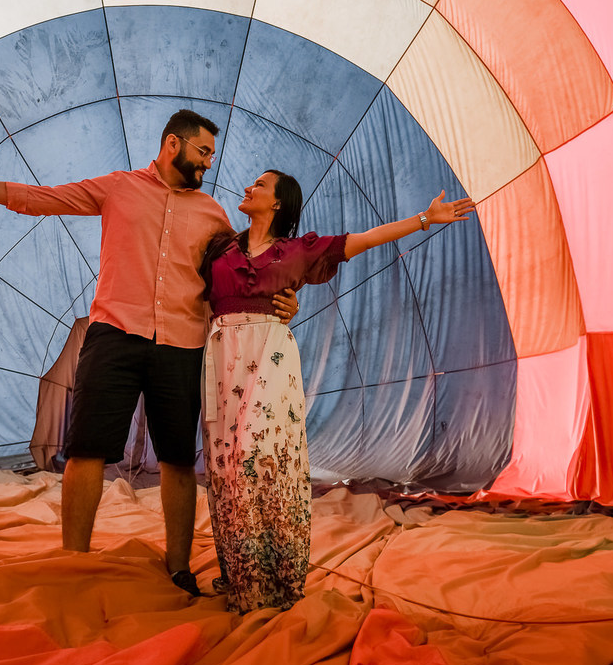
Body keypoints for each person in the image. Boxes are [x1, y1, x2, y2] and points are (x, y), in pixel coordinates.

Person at [0, 111, 299, 597]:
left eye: (210, 156)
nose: (208, 163)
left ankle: (178, 568)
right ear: (172, 144)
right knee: (86, 450)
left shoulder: (214, 215)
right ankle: (72, 561)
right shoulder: (118, 187)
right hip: (113, 334)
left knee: (179, 460)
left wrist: (284, 300)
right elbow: (40, 200)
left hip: (182, 345)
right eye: (202, 152)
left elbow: (252, 270)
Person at [198, 169, 475, 612]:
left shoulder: (298, 250)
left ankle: (276, 578)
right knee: (226, 464)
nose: (248, 188)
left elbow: (363, 240)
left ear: (278, 203)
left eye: (260, 185)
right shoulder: (219, 247)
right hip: (221, 362)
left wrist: (424, 218)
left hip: (269, 358)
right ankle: (243, 574)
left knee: (259, 457)